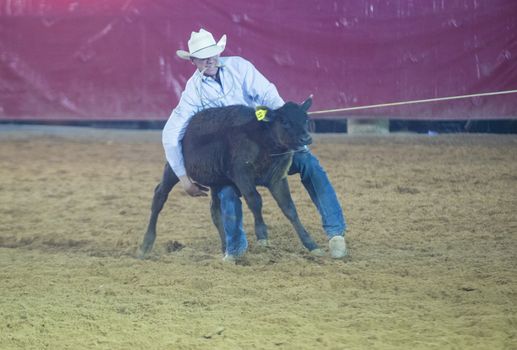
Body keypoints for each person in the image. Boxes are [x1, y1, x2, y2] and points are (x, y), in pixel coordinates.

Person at [162, 28, 347, 261]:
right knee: (226, 190)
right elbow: (170, 134)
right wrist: (183, 178)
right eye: (202, 56)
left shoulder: (240, 67)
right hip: (234, 158)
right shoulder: (192, 92)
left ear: (218, 52)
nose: (209, 60)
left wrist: (288, 125)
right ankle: (235, 248)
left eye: (212, 53)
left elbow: (269, 95)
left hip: (269, 142)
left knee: (308, 163)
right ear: (194, 61)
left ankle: (335, 233)